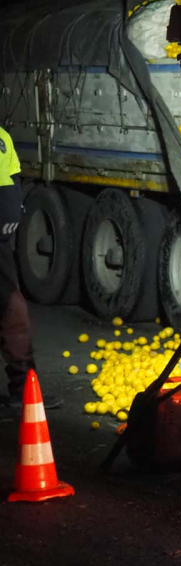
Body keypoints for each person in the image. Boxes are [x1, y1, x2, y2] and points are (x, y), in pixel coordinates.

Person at [0, 126, 61, 419]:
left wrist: (15, 209)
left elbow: (12, 175)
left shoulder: (2, 136)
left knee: (13, 313)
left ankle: (23, 388)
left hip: (1, 243)